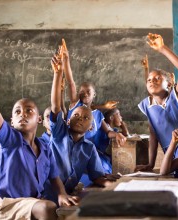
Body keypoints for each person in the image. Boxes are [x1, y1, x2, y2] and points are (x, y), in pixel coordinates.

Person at [0, 40, 77, 220]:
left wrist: (61, 193)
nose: (23, 114)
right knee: (47, 208)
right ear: (11, 122)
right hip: (8, 204)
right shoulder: (10, 140)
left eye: (29, 111)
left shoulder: (44, 146)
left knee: (65, 207)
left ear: (39, 120)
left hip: (32, 202)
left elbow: (54, 176)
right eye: (17, 112)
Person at [45, 46, 117, 199]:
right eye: (76, 115)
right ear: (68, 119)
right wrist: (58, 74)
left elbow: (96, 176)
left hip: (69, 195)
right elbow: (56, 106)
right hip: (46, 194)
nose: (80, 118)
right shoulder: (59, 133)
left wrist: (113, 185)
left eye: (85, 118)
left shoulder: (89, 148)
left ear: (91, 127)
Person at [136, 33, 178, 172]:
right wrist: (150, 164)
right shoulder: (147, 105)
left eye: (157, 79)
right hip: (170, 153)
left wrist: (162, 49)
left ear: (169, 84)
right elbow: (153, 136)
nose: (152, 81)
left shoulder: (176, 96)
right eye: (149, 80)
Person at [61, 39, 126, 146]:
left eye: (88, 91)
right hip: (70, 148)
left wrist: (117, 134)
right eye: (81, 91)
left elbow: (108, 132)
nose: (85, 94)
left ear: (94, 94)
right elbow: (71, 83)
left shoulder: (98, 114)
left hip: (89, 151)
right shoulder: (75, 106)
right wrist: (66, 59)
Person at [93, 108, 130, 174]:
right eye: (118, 114)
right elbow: (109, 134)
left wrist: (123, 124)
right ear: (111, 117)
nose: (121, 117)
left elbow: (125, 134)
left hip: (101, 154)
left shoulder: (114, 130)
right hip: (95, 153)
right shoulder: (102, 127)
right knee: (106, 170)